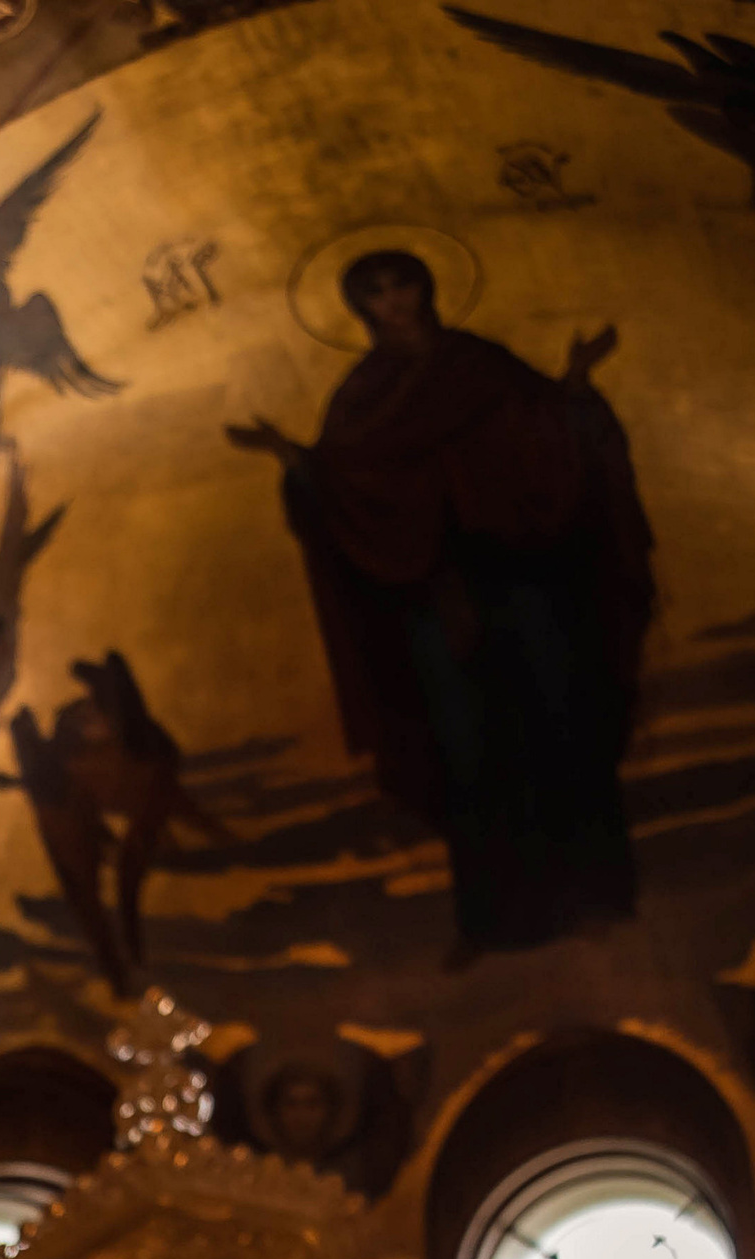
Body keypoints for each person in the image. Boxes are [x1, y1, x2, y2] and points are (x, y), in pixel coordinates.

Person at [228, 248, 653, 957]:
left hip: (521, 578)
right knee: (465, 750)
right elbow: (346, 488)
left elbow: (550, 436)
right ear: (361, 311)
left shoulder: (479, 365)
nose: (394, 304)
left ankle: (595, 894)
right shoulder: (362, 395)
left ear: (427, 289)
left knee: (560, 725)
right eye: (376, 295)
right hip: (432, 599)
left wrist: (575, 383)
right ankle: (492, 920)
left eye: (403, 287)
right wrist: (295, 462)